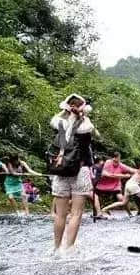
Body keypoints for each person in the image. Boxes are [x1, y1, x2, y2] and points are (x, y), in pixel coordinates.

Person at [50, 94, 96, 251]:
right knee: (76, 214)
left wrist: (65, 110)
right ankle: (68, 248)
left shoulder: (59, 122)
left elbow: (54, 119)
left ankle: (56, 248)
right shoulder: (84, 125)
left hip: (60, 169)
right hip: (80, 170)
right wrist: (83, 114)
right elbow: (89, 128)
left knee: (60, 214)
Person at [94, 152, 137, 218]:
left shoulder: (120, 165)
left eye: (118, 159)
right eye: (115, 159)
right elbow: (107, 174)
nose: (116, 161)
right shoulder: (108, 162)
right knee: (94, 196)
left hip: (115, 186)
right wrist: (124, 176)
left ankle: (130, 214)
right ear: (112, 158)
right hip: (102, 185)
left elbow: (131, 170)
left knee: (122, 199)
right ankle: (98, 213)